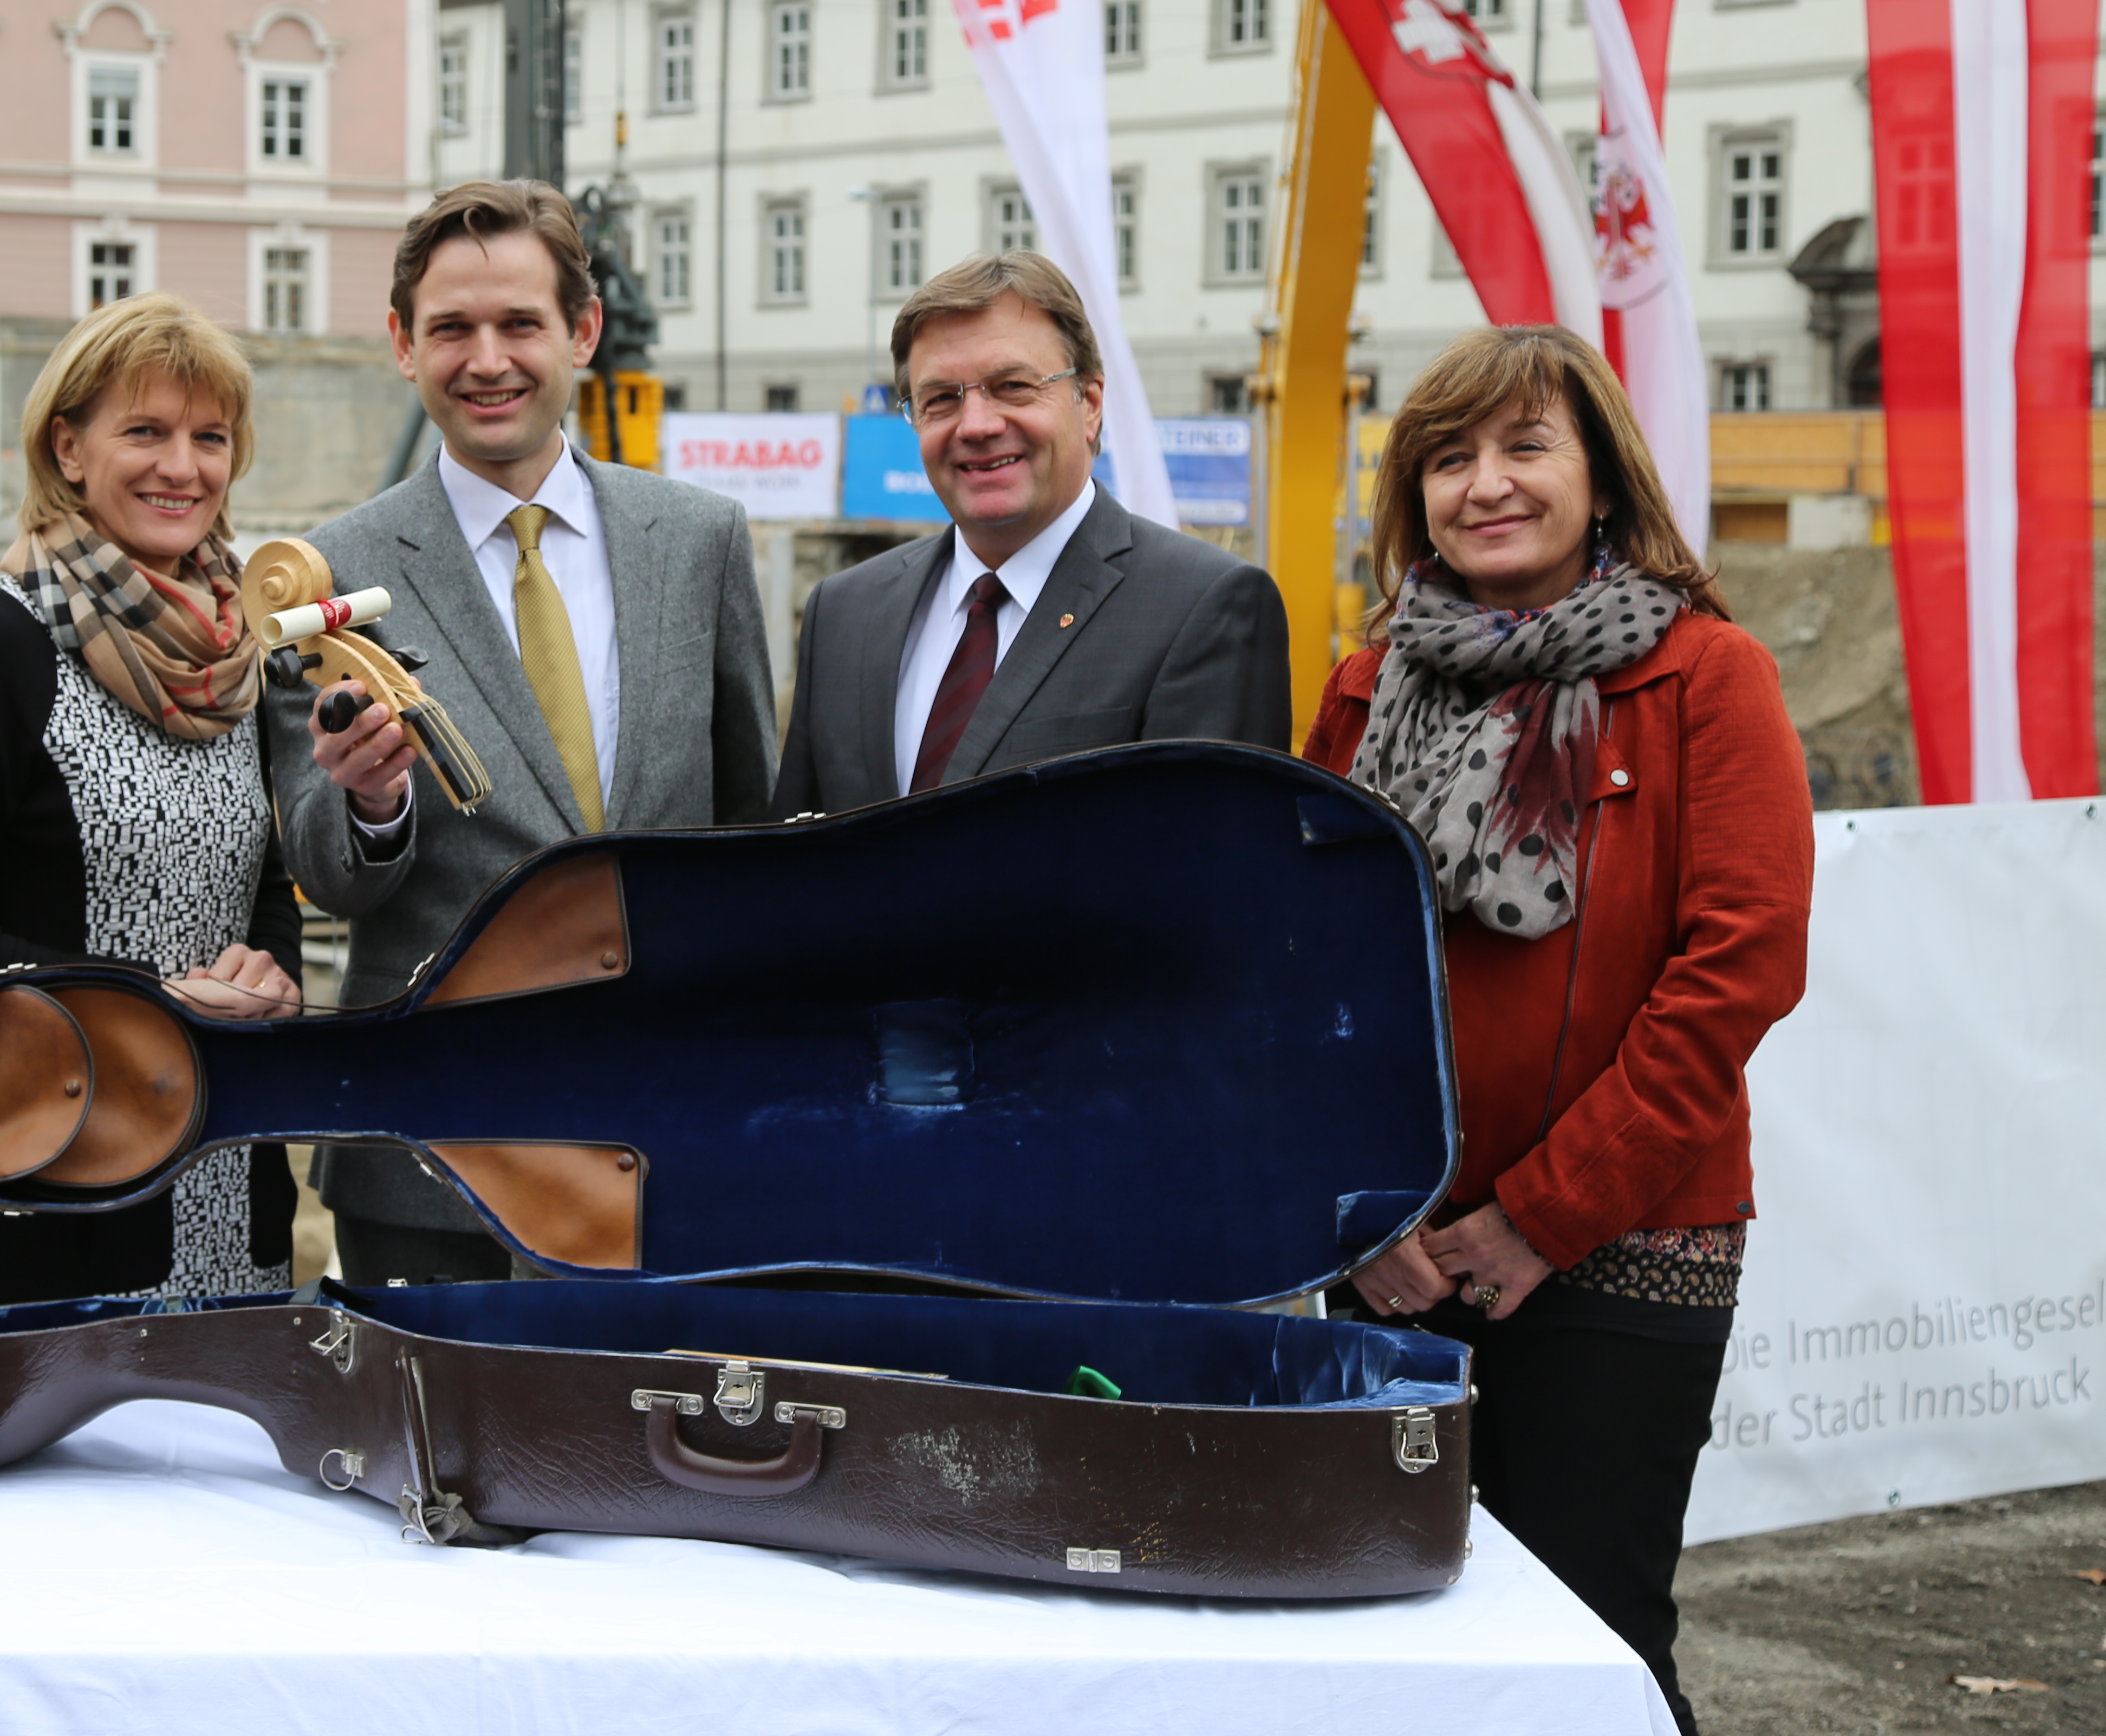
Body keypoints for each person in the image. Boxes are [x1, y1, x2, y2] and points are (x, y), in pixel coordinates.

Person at [1311, 324, 1811, 1736]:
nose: (1487, 485)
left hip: (1620, 1259)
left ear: (1601, 475)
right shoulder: (1361, 689)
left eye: (1526, 446)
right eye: (1449, 459)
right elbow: (1307, 972)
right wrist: (1365, 1214)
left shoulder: (1709, 678)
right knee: (1397, 1649)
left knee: (1592, 1648)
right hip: (1395, 1262)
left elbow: (1740, 970)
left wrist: (1543, 1216)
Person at [276, 178, 777, 1284]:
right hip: (429, 1145)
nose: (486, 358)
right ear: (405, 346)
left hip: (665, 1129)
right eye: (452, 328)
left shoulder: (699, 541)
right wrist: (368, 802)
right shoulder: (329, 569)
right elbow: (321, 865)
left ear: (583, 332)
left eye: (520, 325)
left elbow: (753, 827)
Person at [0, 293, 300, 1363]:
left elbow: (260, 893)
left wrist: (273, 979)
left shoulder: (238, 651)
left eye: (209, 439)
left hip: (230, 1178)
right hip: (59, 1186)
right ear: (68, 446)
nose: (183, 468)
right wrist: (142, 1000)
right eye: (144, 432)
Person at [770, 248, 1289, 816]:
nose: (977, 426)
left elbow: (1208, 877)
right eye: (941, 399)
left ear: (1089, 405)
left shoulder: (1204, 607)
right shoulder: (845, 613)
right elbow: (794, 865)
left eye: (1013, 386)